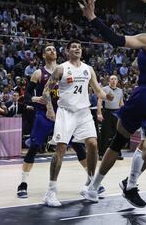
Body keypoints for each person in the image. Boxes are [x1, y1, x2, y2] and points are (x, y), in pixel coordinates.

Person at [78, 0, 146, 207]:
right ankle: (131, 184)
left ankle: (93, 187)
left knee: (118, 139)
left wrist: (92, 18)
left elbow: (116, 40)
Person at [16, 44, 95, 199]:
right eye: (48, 50)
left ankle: (91, 180)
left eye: (53, 49)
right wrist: (34, 98)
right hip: (44, 114)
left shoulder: (65, 69)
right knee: (34, 147)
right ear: (43, 55)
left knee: (78, 146)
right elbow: (26, 95)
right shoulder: (39, 73)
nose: (52, 51)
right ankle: (23, 183)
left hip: (64, 113)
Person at [42, 40, 113, 207]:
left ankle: (89, 184)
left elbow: (97, 89)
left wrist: (106, 96)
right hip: (66, 112)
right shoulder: (61, 68)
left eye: (80, 47)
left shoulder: (88, 69)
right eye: (74, 47)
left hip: (84, 112)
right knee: (60, 148)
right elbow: (46, 90)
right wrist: (50, 108)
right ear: (67, 51)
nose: (77, 49)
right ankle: (50, 191)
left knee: (93, 145)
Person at [97, 75, 124, 160]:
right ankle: (101, 154)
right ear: (109, 80)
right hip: (107, 112)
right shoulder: (104, 89)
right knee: (105, 134)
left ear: (117, 81)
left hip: (117, 113)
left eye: (115, 79)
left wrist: (123, 113)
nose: (113, 80)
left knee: (117, 134)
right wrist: (99, 113)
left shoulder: (120, 91)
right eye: (112, 79)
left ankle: (117, 153)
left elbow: (121, 103)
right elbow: (99, 101)